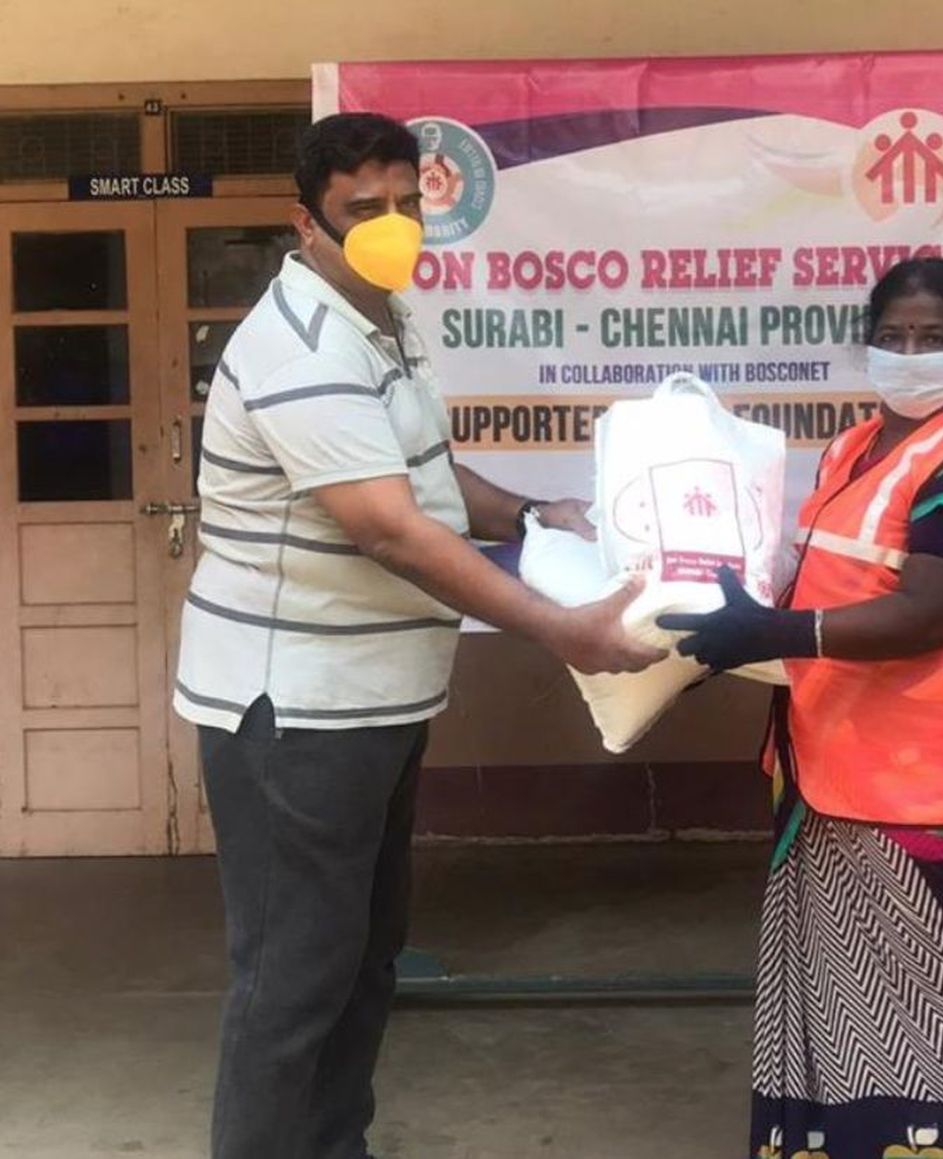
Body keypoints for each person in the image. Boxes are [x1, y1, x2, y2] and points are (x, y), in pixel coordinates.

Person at [173, 112, 660, 1159]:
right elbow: (388, 527)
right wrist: (560, 629)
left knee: (361, 959)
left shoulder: (381, 315)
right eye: (363, 209)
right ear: (306, 223)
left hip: (373, 699)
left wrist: (531, 516)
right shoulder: (299, 344)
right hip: (296, 709)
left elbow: (423, 475)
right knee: (294, 976)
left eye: (405, 203)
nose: (392, 225)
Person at [662, 258, 943, 1159]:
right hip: (829, 773)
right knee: (839, 1017)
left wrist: (773, 633)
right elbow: (823, 585)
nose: (909, 352)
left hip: (923, 800)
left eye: (933, 336)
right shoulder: (852, 448)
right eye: (892, 335)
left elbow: (928, 612)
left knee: (918, 1027)